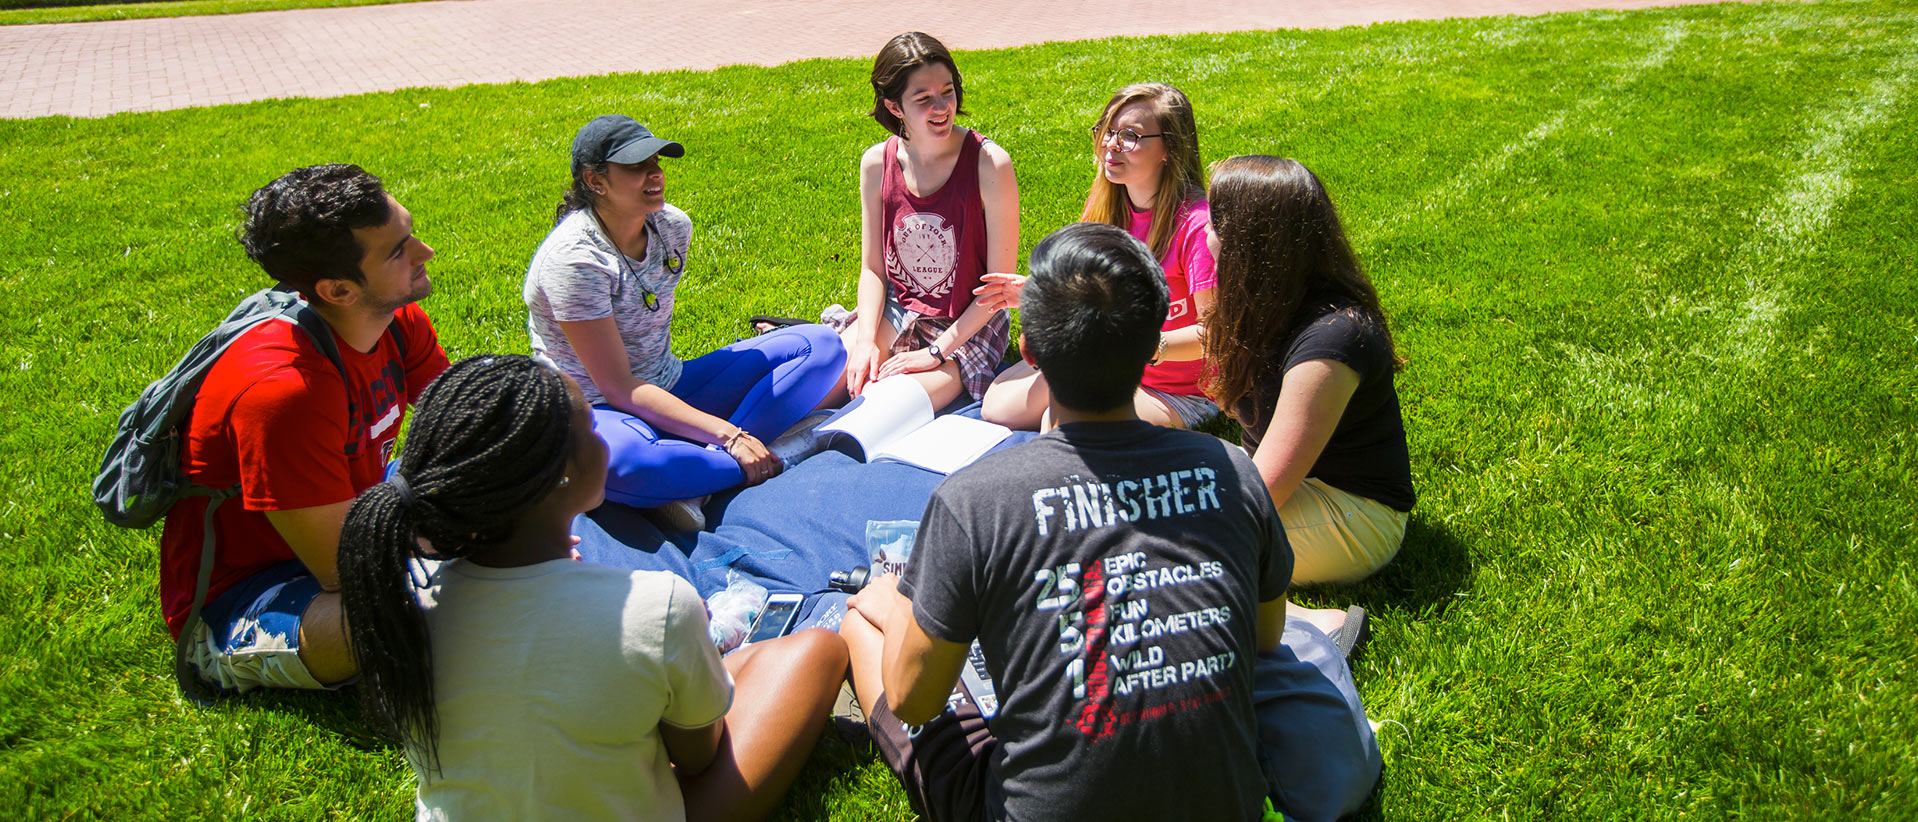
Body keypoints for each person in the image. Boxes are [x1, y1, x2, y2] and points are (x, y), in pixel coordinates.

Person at [839, 223, 1292, 822]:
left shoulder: (972, 501)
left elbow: (912, 699)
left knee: (862, 624)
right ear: (1154, 344)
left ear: (1028, 353)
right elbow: (1264, 639)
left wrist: (894, 600)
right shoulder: (1231, 468)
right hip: (1226, 803)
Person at [336, 354, 849, 821]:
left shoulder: (406, 608)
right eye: (594, 428)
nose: (609, 436)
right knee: (815, 651)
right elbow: (698, 757)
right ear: (564, 475)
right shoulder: (658, 605)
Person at [158, 163, 451, 693]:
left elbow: (460, 433)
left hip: (357, 513)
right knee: (426, 604)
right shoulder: (282, 391)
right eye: (398, 249)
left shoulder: (396, 321)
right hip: (251, 590)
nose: (424, 252)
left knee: (512, 486)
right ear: (338, 290)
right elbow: (344, 572)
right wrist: (473, 543)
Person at [524, 114, 845, 526]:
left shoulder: (672, 227)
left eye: (656, 162)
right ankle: (777, 451)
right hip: (598, 407)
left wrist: (722, 435)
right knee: (625, 467)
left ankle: (698, 475)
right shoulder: (574, 261)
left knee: (820, 346)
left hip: (668, 382)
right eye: (636, 166)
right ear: (595, 181)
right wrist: (729, 434)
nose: (655, 173)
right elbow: (618, 388)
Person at [1205, 155, 1415, 596]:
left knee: (1176, 546)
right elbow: (1208, 335)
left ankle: (1318, 626)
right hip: (1284, 485)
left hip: (1352, 515)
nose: (1205, 235)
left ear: (1247, 241)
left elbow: (1262, 494)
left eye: (1214, 224)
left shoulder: (1335, 340)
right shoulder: (1273, 298)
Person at [979, 82, 1218, 431]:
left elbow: (1216, 335)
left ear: (1169, 147)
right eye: (1108, 131)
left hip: (1175, 390)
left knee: (1062, 424)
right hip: (1106, 363)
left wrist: (1147, 345)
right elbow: (1087, 287)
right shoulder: (1107, 201)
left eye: (1131, 136)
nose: (1111, 144)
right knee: (998, 407)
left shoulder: (1197, 226)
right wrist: (1039, 293)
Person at [830, 31, 1019, 409]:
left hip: (967, 322)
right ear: (894, 106)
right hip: (897, 309)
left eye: (947, 92)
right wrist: (866, 338)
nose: (942, 107)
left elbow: (998, 292)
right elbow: (873, 269)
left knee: (886, 408)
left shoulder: (989, 163)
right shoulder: (875, 163)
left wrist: (935, 352)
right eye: (924, 99)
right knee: (828, 384)